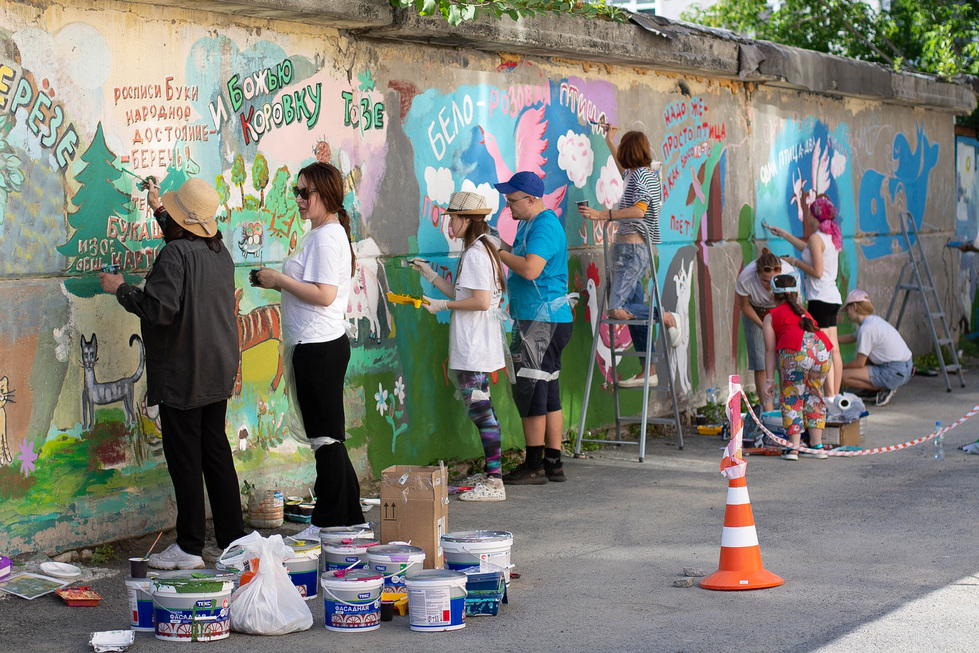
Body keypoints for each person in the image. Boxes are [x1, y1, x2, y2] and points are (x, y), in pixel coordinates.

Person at [100, 178, 245, 569]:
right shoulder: (220, 252)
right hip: (218, 369)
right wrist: (157, 209)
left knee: (185, 456)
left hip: (185, 372)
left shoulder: (174, 257)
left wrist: (121, 289)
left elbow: (158, 309)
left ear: (181, 222)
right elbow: (181, 243)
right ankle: (233, 540)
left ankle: (190, 546)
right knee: (216, 452)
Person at [251, 162, 364, 539]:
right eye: (296, 192)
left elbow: (324, 294)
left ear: (326, 196)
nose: (298, 199)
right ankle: (350, 518)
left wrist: (278, 279)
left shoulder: (327, 237)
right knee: (329, 436)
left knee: (325, 439)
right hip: (315, 344)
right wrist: (278, 283)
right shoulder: (320, 234)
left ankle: (326, 523)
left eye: (305, 193)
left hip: (319, 347)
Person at [410, 191, 508, 501]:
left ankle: (495, 482)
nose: (449, 222)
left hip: (475, 346)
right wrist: (432, 277)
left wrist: (444, 305)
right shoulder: (478, 249)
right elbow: (463, 291)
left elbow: (478, 301)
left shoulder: (478, 253)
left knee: (481, 412)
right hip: (475, 345)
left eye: (453, 217)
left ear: (467, 220)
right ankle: (492, 474)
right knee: (482, 410)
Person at [578, 126, 681, 387]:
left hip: (632, 251)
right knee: (635, 316)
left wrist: (604, 215)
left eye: (621, 149)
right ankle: (649, 369)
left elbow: (638, 211)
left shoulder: (641, 178)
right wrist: (608, 140)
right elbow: (622, 168)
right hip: (629, 251)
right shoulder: (638, 175)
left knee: (616, 308)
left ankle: (666, 316)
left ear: (629, 152)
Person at [495, 171, 574, 485]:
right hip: (548, 320)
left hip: (540, 323)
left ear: (532, 199)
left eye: (513, 201)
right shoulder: (530, 223)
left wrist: (498, 253)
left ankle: (533, 465)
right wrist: (499, 244)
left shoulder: (543, 226)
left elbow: (530, 268)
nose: (509, 207)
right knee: (549, 390)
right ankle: (553, 463)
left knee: (531, 390)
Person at [767, 197, 844, 401]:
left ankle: (829, 398)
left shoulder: (816, 238)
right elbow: (810, 251)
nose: (808, 215)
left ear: (815, 216)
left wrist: (794, 262)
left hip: (820, 297)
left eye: (810, 212)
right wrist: (784, 234)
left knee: (826, 347)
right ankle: (835, 397)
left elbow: (816, 271)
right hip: (832, 297)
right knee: (833, 348)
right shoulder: (830, 236)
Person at [762, 273, 833, 460]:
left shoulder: (771, 315)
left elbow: (770, 351)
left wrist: (769, 381)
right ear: (796, 293)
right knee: (815, 394)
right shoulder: (803, 312)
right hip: (823, 350)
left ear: (773, 294)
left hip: (796, 350)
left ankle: (794, 448)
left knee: (793, 395)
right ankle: (816, 446)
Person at [735, 247, 796, 411]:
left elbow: (795, 304)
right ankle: (767, 412)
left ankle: (786, 408)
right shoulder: (746, 277)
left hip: (781, 311)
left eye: (773, 281)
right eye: (765, 281)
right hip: (756, 313)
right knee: (760, 363)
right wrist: (764, 327)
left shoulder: (789, 273)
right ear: (757, 273)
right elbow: (744, 306)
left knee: (783, 363)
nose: (769, 285)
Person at [838, 289, 914, 407]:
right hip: (905, 367)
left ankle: (883, 389)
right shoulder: (873, 321)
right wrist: (829, 339)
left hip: (893, 371)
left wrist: (839, 367)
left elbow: (859, 363)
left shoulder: (866, 329)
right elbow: (852, 337)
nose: (846, 314)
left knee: (843, 376)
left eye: (847, 309)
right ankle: (876, 389)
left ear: (854, 307)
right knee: (867, 358)